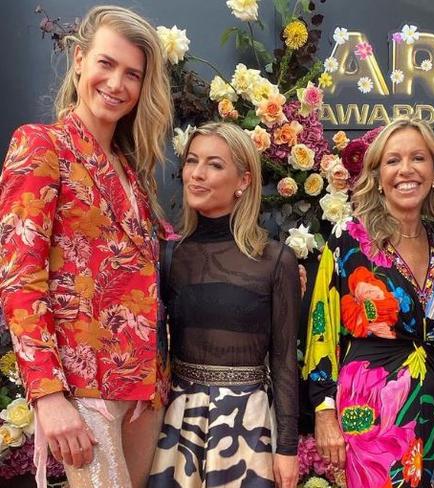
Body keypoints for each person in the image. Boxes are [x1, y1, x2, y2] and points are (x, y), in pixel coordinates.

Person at [0, 5, 173, 487]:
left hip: (143, 388)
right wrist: (47, 395)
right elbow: (19, 277)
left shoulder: (131, 172)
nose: (117, 83)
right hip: (81, 387)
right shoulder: (41, 145)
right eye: (106, 63)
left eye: (132, 74)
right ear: (79, 60)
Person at [148, 122, 300, 488]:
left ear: (243, 181)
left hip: (249, 425)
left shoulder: (275, 260)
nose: (197, 175)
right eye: (192, 161)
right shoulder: (169, 257)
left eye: (214, 165)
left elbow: (284, 361)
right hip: (178, 423)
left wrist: (288, 448)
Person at [303, 117, 434, 487]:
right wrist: (324, 411)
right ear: (378, 175)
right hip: (369, 409)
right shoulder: (349, 240)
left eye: (418, 158)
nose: (406, 170)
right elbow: (320, 327)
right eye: (392, 160)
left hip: (430, 410)